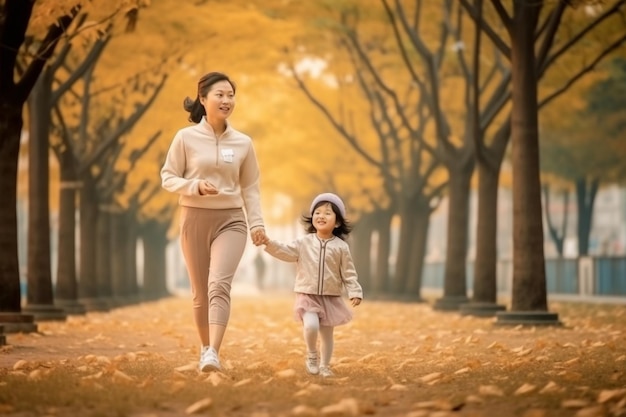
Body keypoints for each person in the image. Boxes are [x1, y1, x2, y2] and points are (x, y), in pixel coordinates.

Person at [161, 71, 267, 372]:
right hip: (194, 217)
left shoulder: (244, 143)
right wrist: (193, 186)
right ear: (203, 99)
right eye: (220, 94)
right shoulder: (185, 138)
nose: (226, 100)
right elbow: (168, 176)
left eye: (231, 95)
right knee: (200, 292)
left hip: (231, 220)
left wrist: (257, 224)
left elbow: (251, 188)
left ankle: (213, 353)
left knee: (218, 284)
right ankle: (204, 347)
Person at [257, 193, 363, 377]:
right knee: (311, 326)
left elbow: (348, 272)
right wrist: (268, 242)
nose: (321, 216)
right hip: (307, 294)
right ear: (312, 217)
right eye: (318, 212)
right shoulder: (304, 243)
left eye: (328, 213)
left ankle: (325, 365)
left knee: (327, 335)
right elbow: (285, 251)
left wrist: (355, 291)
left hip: (330, 297)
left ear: (337, 222)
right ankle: (312, 355)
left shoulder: (341, 247)